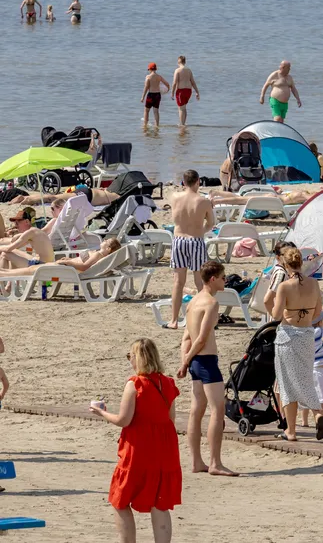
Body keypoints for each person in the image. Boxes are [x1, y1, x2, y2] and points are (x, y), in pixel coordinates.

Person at [91, 338, 182, 542]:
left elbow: (124, 420)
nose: (129, 361)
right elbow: (170, 419)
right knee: (160, 503)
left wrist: (100, 413)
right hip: (165, 448)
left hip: (138, 447)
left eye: (130, 356)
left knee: (120, 499)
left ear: (138, 358)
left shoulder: (135, 383)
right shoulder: (168, 383)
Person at [175, 260, 238, 477]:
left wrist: (185, 360)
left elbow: (186, 338)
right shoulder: (211, 303)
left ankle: (196, 462)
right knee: (217, 410)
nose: (225, 280)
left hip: (195, 362)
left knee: (196, 410)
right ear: (213, 279)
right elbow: (201, 339)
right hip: (206, 360)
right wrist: (185, 362)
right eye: (223, 277)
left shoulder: (193, 302)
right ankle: (215, 463)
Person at [270, 246, 323, 442]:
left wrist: (284, 308)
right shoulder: (314, 283)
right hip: (307, 335)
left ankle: (292, 431)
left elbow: (276, 315)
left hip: (288, 335)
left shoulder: (285, 286)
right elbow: (318, 311)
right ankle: (317, 414)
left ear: (285, 264)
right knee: (304, 378)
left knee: (287, 385)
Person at [167, 170, 214, 329]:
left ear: (183, 182)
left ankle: (174, 320)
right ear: (198, 181)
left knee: (178, 282)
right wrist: (202, 230)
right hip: (195, 240)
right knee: (200, 282)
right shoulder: (203, 201)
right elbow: (211, 224)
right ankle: (203, 319)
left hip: (179, 239)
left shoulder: (174, 197)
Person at [168, 56, 199, 126]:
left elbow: (175, 83)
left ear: (178, 62)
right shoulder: (189, 70)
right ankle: (184, 123)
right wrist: (197, 92)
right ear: (185, 62)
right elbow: (193, 82)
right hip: (188, 91)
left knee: (181, 109)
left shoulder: (177, 70)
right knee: (184, 108)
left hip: (181, 91)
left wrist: (172, 93)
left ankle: (182, 125)